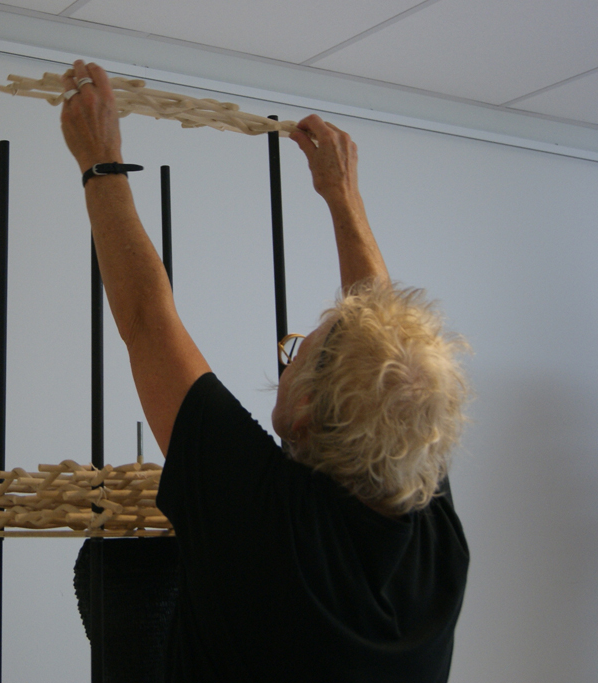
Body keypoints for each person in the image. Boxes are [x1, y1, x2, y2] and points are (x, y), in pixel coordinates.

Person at [60, 60, 470, 682]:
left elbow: (147, 319)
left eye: (298, 350)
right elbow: (387, 355)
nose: (291, 351)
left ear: (303, 413)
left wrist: (100, 162)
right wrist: (342, 197)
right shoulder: (430, 534)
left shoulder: (268, 525)